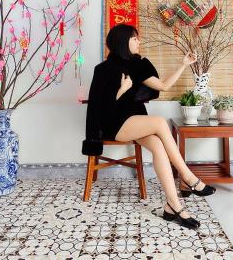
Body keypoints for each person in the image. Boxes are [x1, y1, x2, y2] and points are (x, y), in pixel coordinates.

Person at [82, 24, 216, 229]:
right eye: (135, 39)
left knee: (158, 146)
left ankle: (173, 205)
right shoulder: (103, 69)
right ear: (122, 41)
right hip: (114, 124)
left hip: (136, 121)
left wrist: (183, 64)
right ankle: (187, 177)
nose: (139, 42)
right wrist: (121, 90)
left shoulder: (139, 64)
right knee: (160, 122)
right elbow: (98, 108)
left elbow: (163, 85)